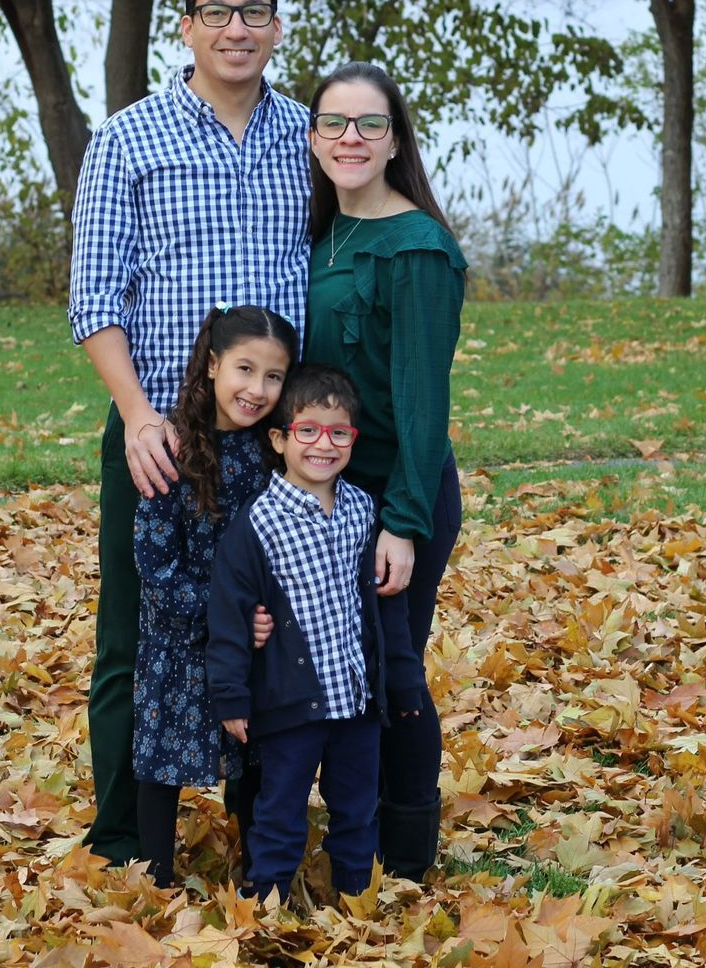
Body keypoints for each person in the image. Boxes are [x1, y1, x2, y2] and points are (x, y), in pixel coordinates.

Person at [66, 0, 310, 866]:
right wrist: (136, 414)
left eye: (254, 13)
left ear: (276, 28)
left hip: (278, 442)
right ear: (187, 27)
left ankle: (270, 831)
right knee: (137, 636)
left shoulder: (307, 138)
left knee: (268, 632)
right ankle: (127, 837)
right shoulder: (131, 138)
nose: (236, 30)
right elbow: (95, 298)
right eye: (218, 13)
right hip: (161, 432)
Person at [302, 62, 467, 880]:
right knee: (332, 673)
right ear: (313, 137)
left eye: (369, 124)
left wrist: (402, 521)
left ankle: (403, 856)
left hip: (393, 493)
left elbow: (423, 406)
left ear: (395, 139)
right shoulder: (317, 234)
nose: (351, 139)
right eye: (334, 123)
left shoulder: (416, 249)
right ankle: (344, 835)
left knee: (391, 671)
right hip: (315, 493)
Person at [207, 364, 428, 901]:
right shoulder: (257, 524)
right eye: (307, 430)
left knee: (356, 809)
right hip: (290, 708)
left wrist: (401, 682)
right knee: (280, 812)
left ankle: (356, 900)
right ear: (280, 438)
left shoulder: (362, 511)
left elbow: (385, 611)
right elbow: (230, 615)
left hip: (355, 704)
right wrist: (232, 696)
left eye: (338, 433)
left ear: (353, 439)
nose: (323, 445)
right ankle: (266, 904)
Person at [131, 305, 297, 886]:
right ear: (211, 366)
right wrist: (226, 614)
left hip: (252, 635)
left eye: (273, 376)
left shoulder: (275, 455)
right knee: (162, 763)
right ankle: (153, 876)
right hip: (179, 637)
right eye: (244, 370)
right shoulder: (172, 448)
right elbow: (154, 566)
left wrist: (262, 615)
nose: (256, 389)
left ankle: (259, 869)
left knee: (250, 752)